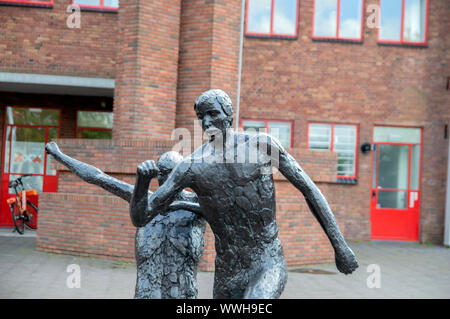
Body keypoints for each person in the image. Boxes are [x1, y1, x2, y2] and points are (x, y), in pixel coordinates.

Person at [130, 89, 358, 299]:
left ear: (228, 114)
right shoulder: (191, 167)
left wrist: (340, 246)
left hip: (266, 260)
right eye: (201, 117)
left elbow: (309, 190)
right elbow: (142, 217)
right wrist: (142, 183)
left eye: (212, 113)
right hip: (227, 270)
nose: (207, 122)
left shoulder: (262, 146)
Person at [45, 143, 205, 299]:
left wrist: (180, 204)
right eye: (161, 173)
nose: (164, 178)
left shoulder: (200, 204)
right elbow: (98, 177)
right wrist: (59, 155)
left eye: (171, 173)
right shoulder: (145, 201)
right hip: (146, 293)